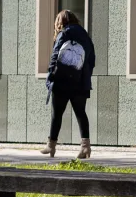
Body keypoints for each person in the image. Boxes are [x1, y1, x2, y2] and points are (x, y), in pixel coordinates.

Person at [41, 10, 96, 159]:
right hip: (80, 82)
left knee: (57, 114)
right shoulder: (84, 35)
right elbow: (92, 59)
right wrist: (84, 75)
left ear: (60, 22)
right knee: (81, 113)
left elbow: (55, 56)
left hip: (62, 81)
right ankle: (85, 147)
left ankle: (51, 146)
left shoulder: (63, 33)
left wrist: (50, 76)